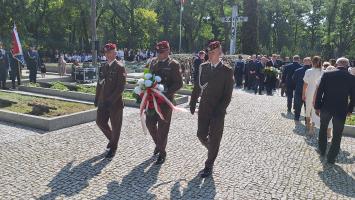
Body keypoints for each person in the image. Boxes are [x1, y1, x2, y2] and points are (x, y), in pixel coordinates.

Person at [189, 41, 234, 178]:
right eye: (208, 52)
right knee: (200, 135)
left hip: (218, 111)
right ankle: (212, 149)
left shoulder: (227, 71)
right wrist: (192, 101)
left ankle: (209, 165)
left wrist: (220, 110)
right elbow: (197, 86)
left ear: (219, 53)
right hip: (204, 108)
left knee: (215, 138)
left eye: (213, 52)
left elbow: (227, 96)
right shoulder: (203, 67)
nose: (210, 54)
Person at [146, 41, 183, 165]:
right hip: (152, 101)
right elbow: (148, 78)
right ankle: (159, 144)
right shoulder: (153, 63)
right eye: (158, 52)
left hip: (165, 102)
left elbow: (179, 83)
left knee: (163, 129)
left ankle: (162, 153)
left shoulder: (173, 64)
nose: (159, 54)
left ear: (168, 51)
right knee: (149, 124)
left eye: (162, 52)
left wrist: (166, 93)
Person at [314, 57, 355, 164]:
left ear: (336, 64)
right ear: (347, 65)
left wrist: (317, 106)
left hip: (326, 107)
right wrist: (350, 109)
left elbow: (319, 92)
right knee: (337, 134)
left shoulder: (327, 74)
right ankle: (331, 157)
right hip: (341, 109)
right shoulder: (351, 78)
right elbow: (353, 97)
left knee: (323, 129)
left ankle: (322, 150)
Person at [95, 43, 126, 159]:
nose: (107, 55)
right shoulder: (103, 66)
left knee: (116, 126)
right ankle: (113, 140)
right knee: (100, 122)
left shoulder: (119, 67)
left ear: (115, 53)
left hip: (115, 103)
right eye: (106, 52)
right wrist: (97, 98)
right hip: (103, 101)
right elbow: (99, 83)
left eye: (110, 52)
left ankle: (113, 147)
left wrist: (111, 100)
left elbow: (120, 87)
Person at [292, 57, 312, 121]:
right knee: (307, 107)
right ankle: (307, 120)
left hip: (299, 90)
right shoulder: (313, 71)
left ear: (303, 62)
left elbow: (294, 80)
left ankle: (296, 118)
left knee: (298, 105)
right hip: (309, 91)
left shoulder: (297, 71)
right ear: (310, 62)